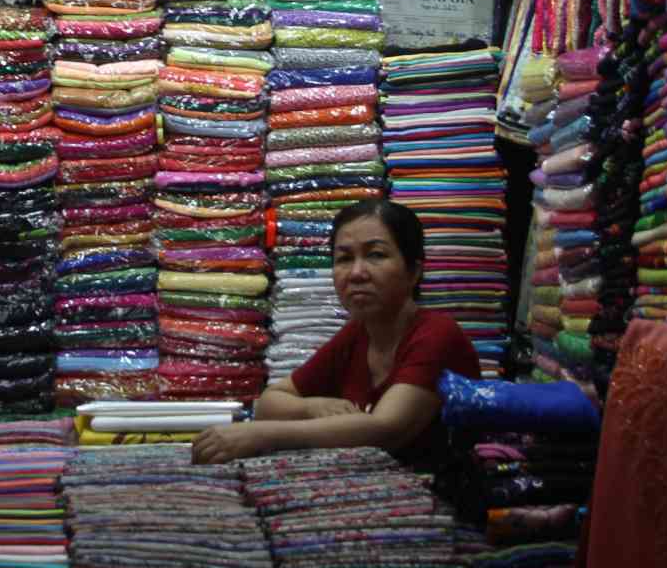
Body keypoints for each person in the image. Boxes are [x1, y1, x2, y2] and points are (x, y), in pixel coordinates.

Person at [191, 199, 481, 465]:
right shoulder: (358, 334)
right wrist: (314, 407)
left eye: (376, 255)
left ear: (414, 271)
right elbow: (269, 402)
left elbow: (387, 428)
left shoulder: (436, 334)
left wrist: (259, 435)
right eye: (344, 258)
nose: (356, 272)